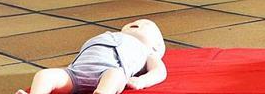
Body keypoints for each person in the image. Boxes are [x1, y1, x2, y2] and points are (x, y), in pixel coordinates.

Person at [17, 19, 167, 94]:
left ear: (156, 46)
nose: (138, 23)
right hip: (74, 74)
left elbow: (160, 71)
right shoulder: (112, 35)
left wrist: (142, 81)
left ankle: (104, 92)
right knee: (45, 74)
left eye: (147, 25)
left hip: (109, 71)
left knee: (115, 75)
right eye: (135, 22)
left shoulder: (147, 51)